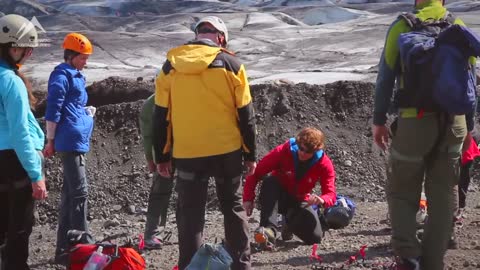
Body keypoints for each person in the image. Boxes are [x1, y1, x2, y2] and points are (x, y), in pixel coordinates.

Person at [372, 0, 476, 269]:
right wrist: (470, 128)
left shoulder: (402, 26)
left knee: (402, 190)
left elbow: (385, 77)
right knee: (443, 193)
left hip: (414, 121)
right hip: (455, 123)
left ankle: (408, 256)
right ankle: (433, 263)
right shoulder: (459, 26)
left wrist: (379, 120)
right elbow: (471, 82)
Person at [152, 16, 257, 270]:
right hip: (227, 151)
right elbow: (246, 114)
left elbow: (161, 116)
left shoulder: (170, 67)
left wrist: (162, 156)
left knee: (190, 212)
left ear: (198, 34)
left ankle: (191, 265)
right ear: (221, 38)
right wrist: (250, 154)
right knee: (232, 205)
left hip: (188, 153)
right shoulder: (232, 65)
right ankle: (241, 265)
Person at [0, 14, 48, 270]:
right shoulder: (10, 81)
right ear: (13, 47)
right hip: (14, 162)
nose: (29, 55)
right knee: (19, 230)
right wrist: (35, 174)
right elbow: (20, 133)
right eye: (27, 50)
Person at [43, 33, 94, 263]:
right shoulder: (61, 77)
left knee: (68, 196)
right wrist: (50, 140)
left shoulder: (76, 76)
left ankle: (64, 252)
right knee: (80, 194)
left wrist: (87, 113)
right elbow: (53, 111)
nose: (86, 62)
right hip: (69, 143)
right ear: (71, 55)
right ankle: (84, 248)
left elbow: (73, 106)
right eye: (83, 57)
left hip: (76, 140)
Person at [243, 127, 336, 246]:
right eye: (300, 148)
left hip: (299, 200)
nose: (302, 153)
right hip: (278, 197)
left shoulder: (324, 164)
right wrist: (248, 199)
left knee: (315, 238)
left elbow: (331, 194)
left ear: (316, 151)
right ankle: (268, 230)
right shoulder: (283, 151)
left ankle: (289, 223)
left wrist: (322, 200)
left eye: (307, 151)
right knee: (270, 182)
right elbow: (255, 173)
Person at [139, 94, 173, 249]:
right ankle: (152, 234)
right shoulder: (151, 104)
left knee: (162, 193)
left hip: (180, 152)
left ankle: (154, 234)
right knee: (160, 192)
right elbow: (148, 135)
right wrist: (150, 159)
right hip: (165, 155)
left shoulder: (150, 103)